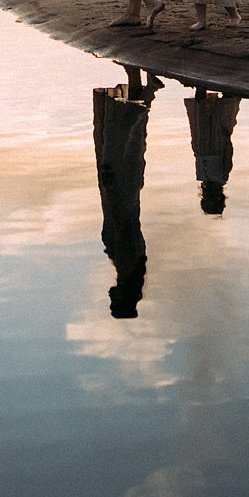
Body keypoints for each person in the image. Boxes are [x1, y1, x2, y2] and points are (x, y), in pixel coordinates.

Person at [93, 68, 159, 317]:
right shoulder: (127, 262)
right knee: (121, 141)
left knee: (123, 141)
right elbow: (120, 221)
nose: (110, 295)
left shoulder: (132, 263)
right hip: (120, 190)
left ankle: (147, 92)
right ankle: (147, 93)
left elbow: (122, 223)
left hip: (124, 191)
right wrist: (110, 187)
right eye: (114, 300)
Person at [185, 88, 241, 215]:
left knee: (199, 113)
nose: (210, 195)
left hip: (202, 144)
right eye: (213, 198)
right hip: (217, 145)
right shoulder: (221, 177)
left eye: (208, 198)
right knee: (222, 118)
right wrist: (227, 142)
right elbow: (228, 159)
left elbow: (198, 158)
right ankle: (227, 93)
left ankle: (200, 89)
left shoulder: (201, 177)